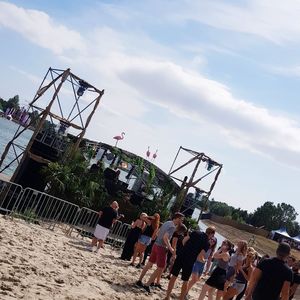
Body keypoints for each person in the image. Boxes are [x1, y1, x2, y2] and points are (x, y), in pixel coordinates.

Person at [136, 212, 185, 293]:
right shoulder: (172, 226)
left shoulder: (166, 222)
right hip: (161, 247)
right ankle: (147, 284)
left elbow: (158, 232)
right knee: (160, 268)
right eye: (181, 219)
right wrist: (171, 249)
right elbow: (166, 238)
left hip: (156, 245)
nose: (181, 221)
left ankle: (140, 280)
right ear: (177, 218)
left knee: (149, 263)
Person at [165, 226, 216, 300]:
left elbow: (184, 241)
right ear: (212, 234)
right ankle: (181, 298)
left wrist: (186, 248)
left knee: (173, 277)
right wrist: (203, 261)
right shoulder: (207, 243)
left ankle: (167, 297)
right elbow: (200, 256)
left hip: (181, 255)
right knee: (185, 281)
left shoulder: (195, 232)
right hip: (190, 260)